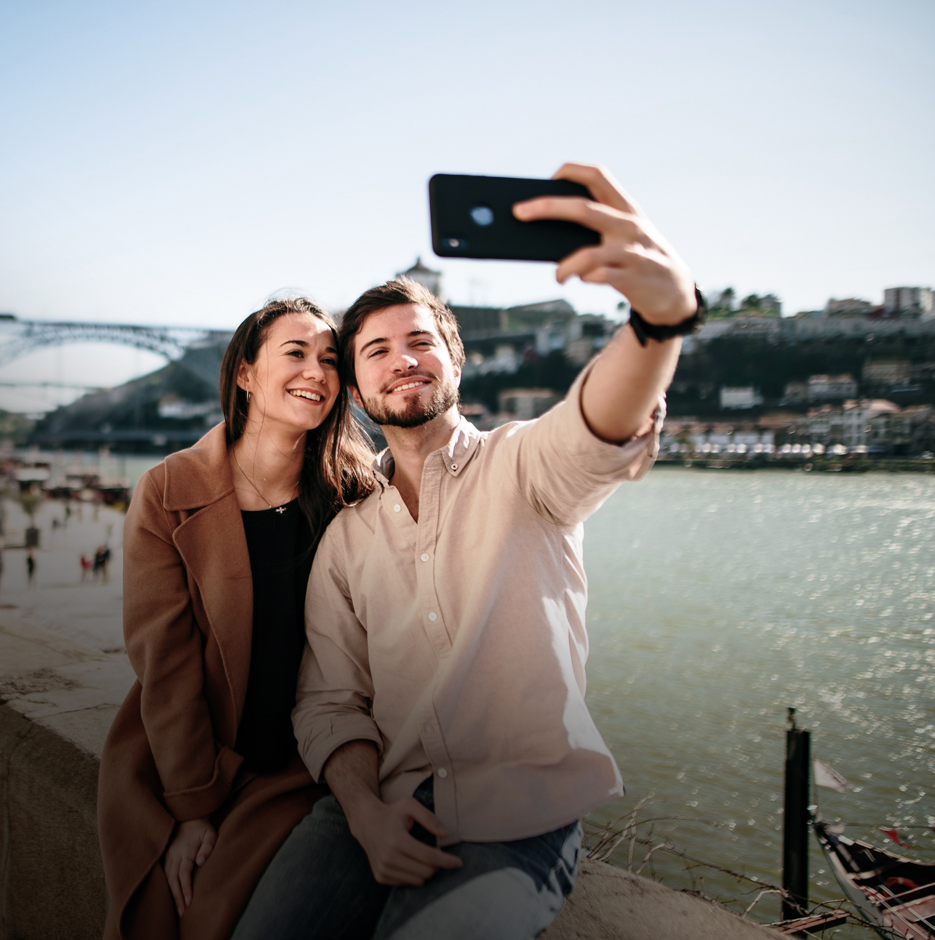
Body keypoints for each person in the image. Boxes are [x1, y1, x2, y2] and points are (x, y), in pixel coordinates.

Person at [234, 164, 700, 940]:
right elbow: (330, 702)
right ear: (356, 391)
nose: (402, 359)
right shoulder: (348, 538)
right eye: (376, 350)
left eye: (421, 341)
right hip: (371, 807)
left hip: (519, 818)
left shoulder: (525, 467)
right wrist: (365, 812)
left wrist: (659, 321)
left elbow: (597, 424)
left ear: (457, 361)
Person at [99, 297, 380, 940]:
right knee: (160, 912)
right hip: (183, 756)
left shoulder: (355, 494)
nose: (316, 372)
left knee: (216, 918)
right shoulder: (169, 490)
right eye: (295, 353)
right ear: (246, 373)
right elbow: (165, 662)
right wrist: (191, 807)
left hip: (296, 763)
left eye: (330, 360)